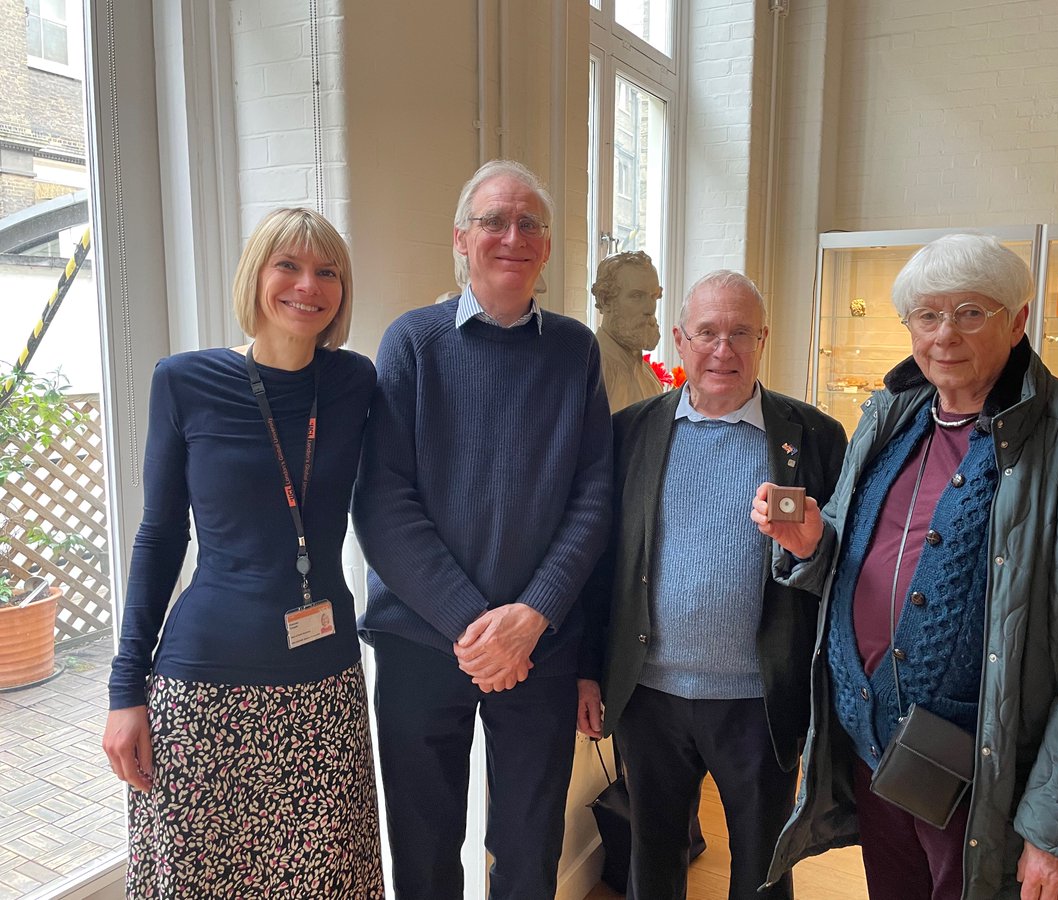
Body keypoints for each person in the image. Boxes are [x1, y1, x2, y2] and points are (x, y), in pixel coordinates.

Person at [756, 234, 1058, 900]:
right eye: (927, 315)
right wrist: (812, 542)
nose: (944, 334)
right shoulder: (891, 418)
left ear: (1017, 321)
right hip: (882, 757)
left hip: (1000, 779)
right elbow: (850, 552)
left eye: (971, 312)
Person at [102, 208, 383, 897]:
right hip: (203, 689)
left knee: (325, 880)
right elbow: (160, 536)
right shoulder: (184, 381)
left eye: (327, 272)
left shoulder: (355, 383)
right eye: (286, 265)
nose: (307, 286)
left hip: (323, 685)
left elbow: (403, 495)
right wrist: (123, 690)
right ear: (254, 274)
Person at [354, 158, 612, 900]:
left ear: (548, 247)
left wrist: (531, 619)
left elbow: (593, 498)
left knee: (528, 847)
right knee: (425, 840)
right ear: (461, 241)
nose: (513, 235)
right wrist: (478, 629)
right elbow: (382, 503)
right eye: (494, 221)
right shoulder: (412, 343)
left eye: (530, 222)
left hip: (541, 646)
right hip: (420, 642)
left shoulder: (575, 351)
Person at [578, 270, 848, 900]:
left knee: (761, 868)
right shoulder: (630, 434)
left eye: (740, 333)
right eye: (706, 333)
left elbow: (850, 564)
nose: (723, 350)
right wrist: (588, 670)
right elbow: (600, 566)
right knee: (654, 857)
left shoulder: (813, 437)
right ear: (679, 339)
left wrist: (815, 547)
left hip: (760, 699)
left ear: (764, 340)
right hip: (648, 697)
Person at [593, 250, 666, 411]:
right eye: (637, 296)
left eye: (654, 296)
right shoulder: (592, 372)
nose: (650, 308)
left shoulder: (648, 375)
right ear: (605, 300)